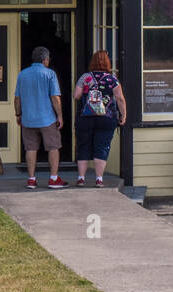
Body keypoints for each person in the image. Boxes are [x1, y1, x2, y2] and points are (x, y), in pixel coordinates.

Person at [13, 45, 65, 189]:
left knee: (30, 148)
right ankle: (53, 179)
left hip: (28, 118)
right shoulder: (50, 74)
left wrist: (18, 114)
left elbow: (17, 98)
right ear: (45, 59)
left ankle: (31, 179)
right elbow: (55, 97)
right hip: (47, 118)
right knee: (53, 147)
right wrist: (59, 115)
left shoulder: (22, 74)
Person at [72, 50, 127, 187]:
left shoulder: (85, 77)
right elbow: (120, 98)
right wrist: (123, 115)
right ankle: (99, 179)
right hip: (106, 118)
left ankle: (81, 178)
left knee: (83, 146)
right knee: (101, 147)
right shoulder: (112, 79)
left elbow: (76, 96)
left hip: (85, 117)